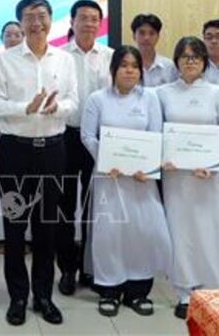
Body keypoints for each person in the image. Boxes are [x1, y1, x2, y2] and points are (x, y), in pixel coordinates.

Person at [0, 0, 78, 326]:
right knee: (14, 226)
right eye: (29, 16)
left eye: (42, 15)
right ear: (21, 22)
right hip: (15, 150)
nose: (36, 22)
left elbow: (73, 101)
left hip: (52, 150)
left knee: (46, 227)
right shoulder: (4, 61)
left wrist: (58, 108)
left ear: (51, 19)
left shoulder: (64, 60)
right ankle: (17, 296)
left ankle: (43, 296)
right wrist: (24, 108)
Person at [157, 36, 219, 320]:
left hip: (210, 176)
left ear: (204, 61)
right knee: (182, 232)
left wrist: (212, 165)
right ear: (176, 61)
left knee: (216, 228)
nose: (190, 62)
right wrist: (164, 159)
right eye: (185, 57)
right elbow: (158, 134)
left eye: (196, 57)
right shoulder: (162, 93)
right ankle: (185, 291)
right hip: (177, 178)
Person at [82, 45, 170, 319]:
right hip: (109, 177)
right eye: (124, 65)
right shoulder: (97, 99)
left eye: (134, 66)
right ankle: (109, 290)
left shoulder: (150, 99)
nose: (129, 71)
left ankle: (138, 291)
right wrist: (106, 160)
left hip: (142, 179)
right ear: (113, 69)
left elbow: (156, 136)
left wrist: (147, 166)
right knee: (110, 233)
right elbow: (87, 136)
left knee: (142, 230)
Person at [57, 0, 113, 294]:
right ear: (72, 21)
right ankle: (67, 268)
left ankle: (90, 267)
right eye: (83, 18)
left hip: (99, 140)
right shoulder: (59, 56)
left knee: (95, 206)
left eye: (94, 18)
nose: (89, 23)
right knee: (64, 206)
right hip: (66, 136)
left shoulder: (110, 56)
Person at [0, 21, 24, 246]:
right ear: (1, 39)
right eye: (8, 34)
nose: (13, 39)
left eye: (17, 34)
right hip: (0, 129)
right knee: (1, 185)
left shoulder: (30, 63)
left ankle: (26, 237)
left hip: (25, 130)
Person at [132, 13, 178, 87]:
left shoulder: (169, 66)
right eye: (142, 33)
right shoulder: (125, 66)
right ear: (134, 36)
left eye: (151, 33)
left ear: (158, 37)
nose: (146, 38)